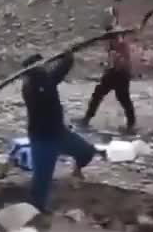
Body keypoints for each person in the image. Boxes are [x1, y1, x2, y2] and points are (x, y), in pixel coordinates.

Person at [20, 51, 100, 214]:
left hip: (60, 133)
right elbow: (58, 72)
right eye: (42, 66)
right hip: (42, 139)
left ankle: (76, 170)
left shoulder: (44, 80)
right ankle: (36, 212)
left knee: (86, 152)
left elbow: (64, 65)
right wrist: (64, 58)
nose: (46, 67)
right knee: (42, 180)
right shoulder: (33, 88)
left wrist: (64, 54)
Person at [77, 7, 136, 133]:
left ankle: (87, 119)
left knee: (113, 96)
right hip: (116, 70)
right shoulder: (113, 36)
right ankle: (131, 123)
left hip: (119, 71)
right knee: (118, 97)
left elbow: (119, 48)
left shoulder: (117, 36)